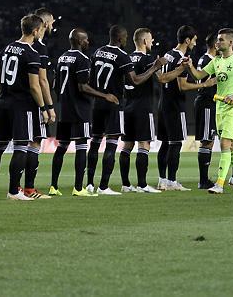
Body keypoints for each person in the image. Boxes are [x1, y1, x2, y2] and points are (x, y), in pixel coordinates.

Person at [86, 25, 165, 195]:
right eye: (125, 37)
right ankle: (109, 186)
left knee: (99, 142)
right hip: (121, 105)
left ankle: (92, 184)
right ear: (120, 38)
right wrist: (155, 67)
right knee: (120, 143)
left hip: (99, 103)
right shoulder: (124, 56)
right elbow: (136, 80)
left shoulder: (98, 52)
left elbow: (90, 80)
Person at [0, 14, 49, 200]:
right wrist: (43, 108)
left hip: (3, 102)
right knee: (21, 146)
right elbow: (34, 86)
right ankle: (14, 191)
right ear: (35, 31)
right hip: (22, 105)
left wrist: (2, 96)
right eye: (40, 30)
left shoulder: (6, 49)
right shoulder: (31, 53)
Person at [186, 28, 233, 194]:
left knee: (225, 144)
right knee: (230, 146)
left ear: (230, 42)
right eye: (217, 40)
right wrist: (189, 66)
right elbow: (198, 76)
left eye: (221, 40)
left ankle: (219, 184)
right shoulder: (216, 61)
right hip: (219, 108)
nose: (217, 43)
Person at [51, 28, 118, 197]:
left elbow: (55, 85)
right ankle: (78, 188)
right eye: (86, 39)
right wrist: (105, 95)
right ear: (80, 41)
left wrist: (64, 98)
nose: (88, 42)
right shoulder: (82, 59)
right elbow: (83, 87)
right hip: (79, 110)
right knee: (81, 147)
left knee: (62, 147)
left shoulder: (62, 57)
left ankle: (53, 186)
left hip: (64, 109)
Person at [120, 28, 168, 193]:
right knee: (144, 144)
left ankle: (126, 185)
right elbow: (161, 78)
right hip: (143, 107)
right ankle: (142, 185)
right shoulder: (148, 59)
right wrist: (162, 66)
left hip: (127, 106)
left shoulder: (126, 57)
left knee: (127, 145)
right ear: (145, 41)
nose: (152, 42)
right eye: (151, 39)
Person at [156, 25, 197, 191]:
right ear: (187, 40)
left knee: (165, 144)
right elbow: (183, 86)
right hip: (175, 105)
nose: (195, 43)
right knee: (176, 143)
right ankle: (172, 181)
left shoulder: (168, 54)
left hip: (163, 103)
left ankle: (162, 180)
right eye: (194, 40)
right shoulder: (182, 59)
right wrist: (205, 84)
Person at [23, 8, 56, 198]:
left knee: (22, 144)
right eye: (52, 21)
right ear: (44, 24)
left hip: (19, 101)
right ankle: (29, 189)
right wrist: (49, 107)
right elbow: (42, 81)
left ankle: (17, 188)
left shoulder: (24, 44)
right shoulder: (39, 47)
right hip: (34, 103)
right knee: (35, 143)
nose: (53, 25)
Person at [192, 33, 218, 189]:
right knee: (207, 140)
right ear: (215, 45)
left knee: (209, 140)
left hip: (208, 102)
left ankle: (204, 179)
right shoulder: (209, 60)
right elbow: (205, 82)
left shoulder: (204, 59)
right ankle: (203, 180)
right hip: (207, 101)